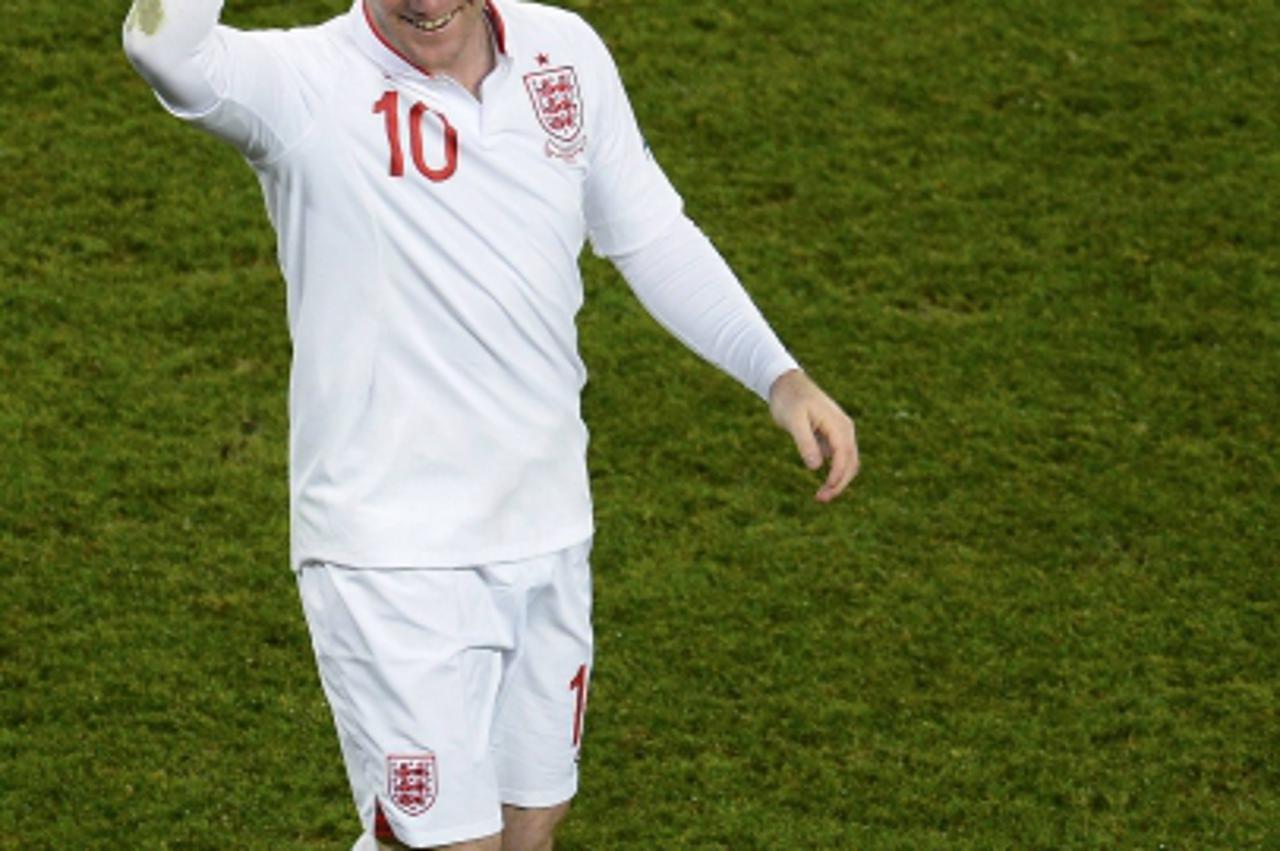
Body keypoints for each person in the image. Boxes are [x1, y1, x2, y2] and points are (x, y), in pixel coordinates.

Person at [123, 0, 858, 848]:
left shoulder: (563, 54)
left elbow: (650, 232)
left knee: (527, 826)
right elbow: (164, 49)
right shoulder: (303, 84)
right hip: (392, 550)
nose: (427, 5)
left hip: (546, 526)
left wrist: (777, 373)